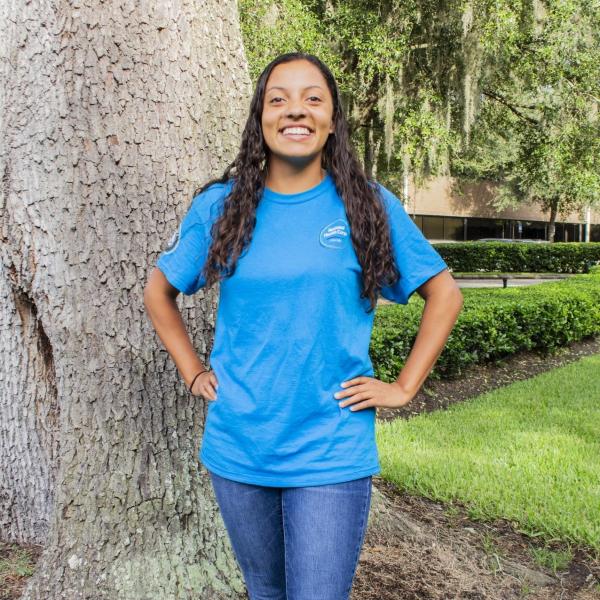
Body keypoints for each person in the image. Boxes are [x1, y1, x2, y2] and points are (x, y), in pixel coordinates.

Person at [144, 52, 463, 600]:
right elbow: (159, 292)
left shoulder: (367, 206)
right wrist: (193, 371)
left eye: (313, 98)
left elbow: (445, 294)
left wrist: (403, 387)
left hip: (331, 447)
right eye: (279, 99)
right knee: (266, 591)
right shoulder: (221, 208)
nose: (296, 110)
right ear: (261, 118)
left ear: (332, 120)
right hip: (241, 443)